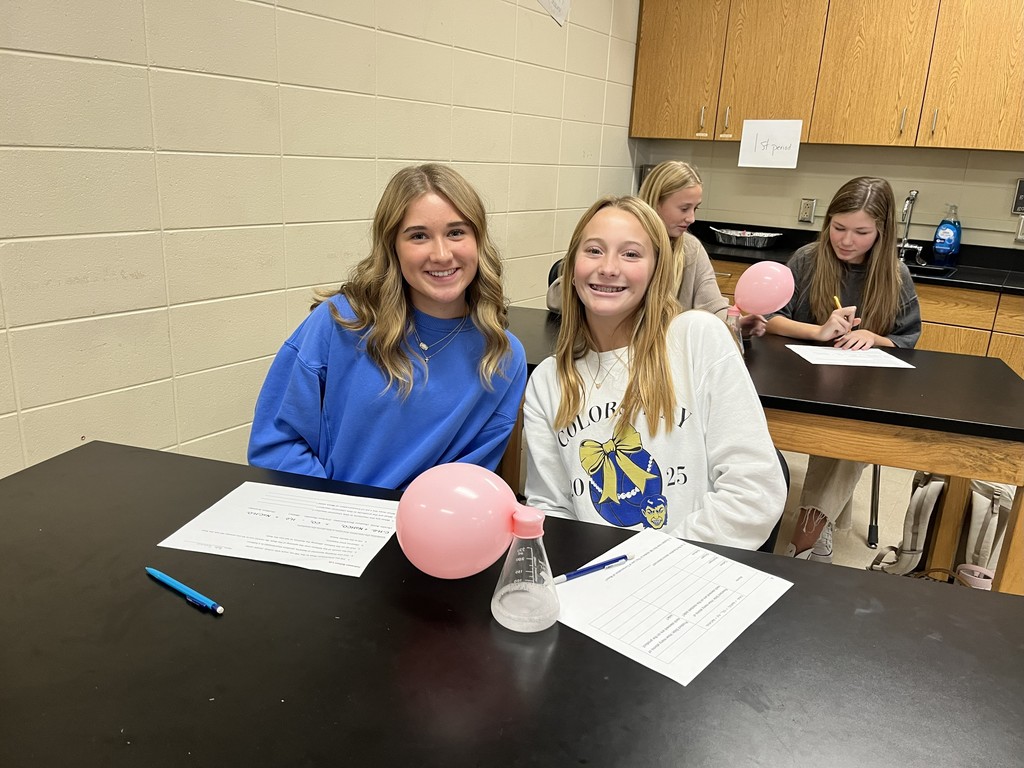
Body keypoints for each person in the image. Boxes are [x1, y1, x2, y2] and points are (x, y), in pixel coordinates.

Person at [524, 196, 786, 549]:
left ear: (656, 271)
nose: (609, 268)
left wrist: (651, 568)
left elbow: (755, 494)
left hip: (696, 573)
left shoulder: (696, 338)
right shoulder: (548, 381)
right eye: (594, 251)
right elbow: (552, 510)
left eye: (631, 254)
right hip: (599, 576)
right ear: (571, 269)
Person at [248, 164, 528, 489]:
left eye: (456, 232)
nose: (441, 254)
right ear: (392, 245)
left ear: (478, 240)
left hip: (426, 530)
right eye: (419, 236)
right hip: (326, 518)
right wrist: (338, 517)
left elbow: (465, 482)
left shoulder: (503, 357)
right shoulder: (338, 323)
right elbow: (275, 443)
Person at [766, 176, 921, 561]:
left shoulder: (895, 275)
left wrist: (874, 337)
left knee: (854, 431)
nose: (846, 240)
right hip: (796, 381)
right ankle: (817, 531)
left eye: (861, 232)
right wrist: (818, 331)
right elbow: (771, 319)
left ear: (882, 233)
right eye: (838, 228)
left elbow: (907, 338)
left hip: (857, 387)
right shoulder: (807, 259)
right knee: (840, 438)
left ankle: (806, 537)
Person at [546, 160, 766, 337]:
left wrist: (736, 324)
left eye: (695, 208)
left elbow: (712, 307)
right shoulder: (614, 235)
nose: (691, 218)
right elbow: (557, 298)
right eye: (683, 208)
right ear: (655, 202)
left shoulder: (690, 249)